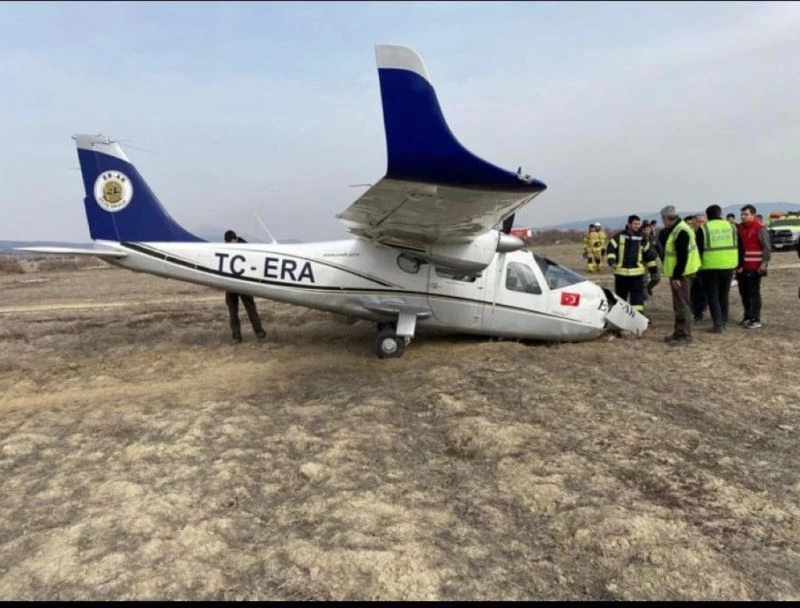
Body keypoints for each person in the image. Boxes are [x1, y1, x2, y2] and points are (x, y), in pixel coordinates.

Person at [660, 205, 701, 346]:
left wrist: (676, 276)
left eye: (663, 219)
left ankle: (685, 336)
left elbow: (682, 257)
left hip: (682, 274)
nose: (662, 223)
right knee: (678, 305)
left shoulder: (680, 231)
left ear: (666, 218)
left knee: (682, 305)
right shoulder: (680, 228)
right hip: (683, 273)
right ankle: (678, 333)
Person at [696, 204, 738, 333]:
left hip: (710, 266)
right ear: (720, 214)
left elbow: (699, 248)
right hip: (728, 265)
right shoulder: (731, 226)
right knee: (724, 294)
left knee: (713, 295)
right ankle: (724, 320)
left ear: (707, 215)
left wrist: (698, 267)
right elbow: (739, 245)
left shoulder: (704, 228)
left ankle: (718, 324)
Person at [606, 214, 659, 314]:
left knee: (637, 299)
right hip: (621, 274)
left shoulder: (642, 239)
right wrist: (611, 260)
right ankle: (619, 317)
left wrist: (654, 271)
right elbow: (611, 248)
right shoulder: (619, 236)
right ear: (629, 224)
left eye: (638, 224)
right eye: (635, 224)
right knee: (620, 298)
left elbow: (649, 256)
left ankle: (638, 318)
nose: (637, 226)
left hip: (637, 275)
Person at [223, 230, 267, 343]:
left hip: (244, 283)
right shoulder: (231, 248)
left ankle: (259, 332)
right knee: (233, 311)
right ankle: (236, 335)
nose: (229, 245)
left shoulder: (247, 248)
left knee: (250, 308)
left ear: (235, 239)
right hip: (231, 284)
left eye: (230, 242)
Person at [736, 205, 770, 328]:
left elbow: (766, 247)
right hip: (742, 267)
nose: (743, 216)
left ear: (753, 215)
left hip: (755, 267)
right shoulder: (740, 228)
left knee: (753, 293)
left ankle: (756, 318)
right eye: (742, 214)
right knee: (743, 293)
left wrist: (764, 263)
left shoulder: (759, 229)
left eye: (746, 214)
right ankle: (747, 316)